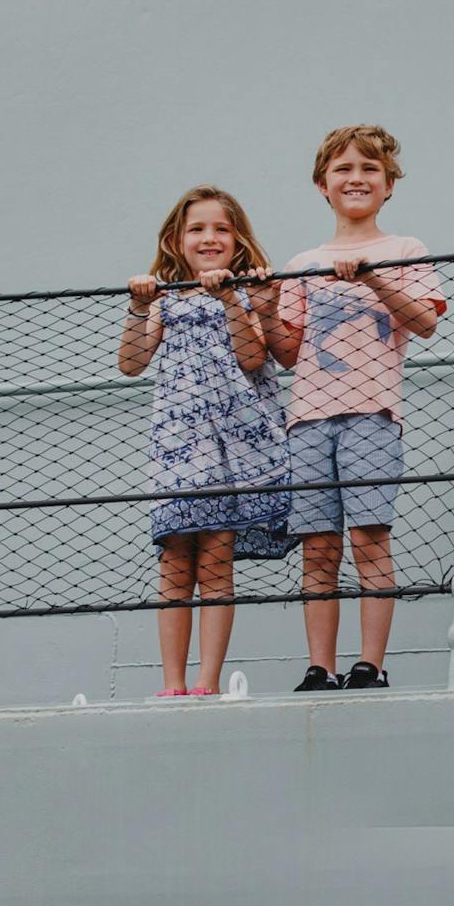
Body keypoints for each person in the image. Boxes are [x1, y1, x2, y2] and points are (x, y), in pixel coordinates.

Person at [256, 125, 444, 691]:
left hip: (372, 414)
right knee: (318, 547)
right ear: (323, 185)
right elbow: (288, 353)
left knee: (368, 537)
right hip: (307, 421)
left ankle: (371, 664)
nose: (356, 178)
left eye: (369, 169)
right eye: (343, 169)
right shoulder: (304, 261)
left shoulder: (405, 250)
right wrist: (265, 306)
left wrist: (374, 280)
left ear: (389, 185)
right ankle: (320, 666)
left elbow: (426, 322)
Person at [118, 185, 292, 698]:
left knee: (215, 560)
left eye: (221, 229)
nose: (209, 238)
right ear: (177, 239)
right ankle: (172, 683)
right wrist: (137, 306)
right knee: (174, 561)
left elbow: (253, 358)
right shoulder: (164, 299)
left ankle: (207, 681)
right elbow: (130, 364)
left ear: (238, 240)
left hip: (232, 451)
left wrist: (230, 298)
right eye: (197, 229)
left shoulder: (250, 292)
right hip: (180, 448)